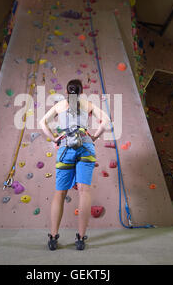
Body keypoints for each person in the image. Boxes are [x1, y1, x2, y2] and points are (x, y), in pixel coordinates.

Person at [39, 79, 111, 250]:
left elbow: (42, 123)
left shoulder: (59, 106)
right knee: (85, 191)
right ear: (81, 90)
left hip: (65, 147)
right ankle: (80, 238)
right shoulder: (88, 104)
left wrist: (54, 137)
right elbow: (106, 121)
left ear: (67, 90)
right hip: (85, 145)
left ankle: (53, 237)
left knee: (60, 193)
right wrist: (94, 137)